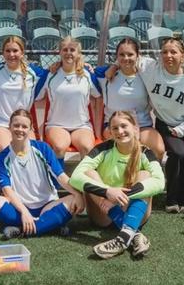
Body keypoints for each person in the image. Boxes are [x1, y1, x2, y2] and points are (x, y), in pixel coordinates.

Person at [108, 37, 184, 213]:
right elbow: (128, 59)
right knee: (176, 153)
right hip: (166, 124)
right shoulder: (151, 68)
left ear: (183, 56)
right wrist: (114, 67)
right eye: (164, 52)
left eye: (173, 52)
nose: (168, 56)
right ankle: (171, 198)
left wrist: (183, 129)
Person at [70, 111, 165, 259]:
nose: (120, 131)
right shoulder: (102, 149)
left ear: (135, 128)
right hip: (104, 212)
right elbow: (75, 177)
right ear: (110, 132)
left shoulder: (145, 152)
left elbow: (160, 182)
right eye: (115, 128)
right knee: (89, 173)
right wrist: (107, 191)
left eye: (124, 126)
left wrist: (119, 195)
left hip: (133, 209)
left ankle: (122, 239)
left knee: (145, 175)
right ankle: (133, 234)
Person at [0, 109, 84, 239]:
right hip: (20, 207)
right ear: (9, 127)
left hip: (47, 205)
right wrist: (24, 212)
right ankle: (48, 225)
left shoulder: (42, 148)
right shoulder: (3, 157)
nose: (20, 129)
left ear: (30, 129)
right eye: (16, 125)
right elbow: (7, 190)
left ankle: (24, 229)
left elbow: (60, 176)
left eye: (24, 126)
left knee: (73, 199)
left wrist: (77, 193)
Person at [94, 38, 165, 160]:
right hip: (114, 126)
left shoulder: (146, 74)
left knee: (159, 149)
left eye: (130, 54)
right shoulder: (104, 74)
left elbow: (171, 70)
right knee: (127, 146)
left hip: (141, 125)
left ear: (138, 56)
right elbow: (79, 70)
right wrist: (57, 64)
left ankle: (153, 177)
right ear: (116, 57)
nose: (126, 58)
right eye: (121, 55)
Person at [0, 36, 47, 151]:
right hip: (0, 123)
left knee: (31, 151)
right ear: (3, 53)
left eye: (15, 51)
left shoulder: (34, 74)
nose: (11, 54)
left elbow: (58, 72)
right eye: (8, 51)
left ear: (22, 53)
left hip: (23, 124)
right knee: (9, 151)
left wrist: (83, 67)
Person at [42, 36, 101, 159]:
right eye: (65, 50)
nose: (68, 53)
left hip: (81, 125)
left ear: (78, 53)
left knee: (87, 147)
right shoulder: (50, 74)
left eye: (72, 50)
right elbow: (37, 97)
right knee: (59, 146)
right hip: (56, 125)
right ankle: (59, 178)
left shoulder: (87, 74)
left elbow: (99, 96)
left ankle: (82, 178)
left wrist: (98, 129)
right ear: (60, 52)